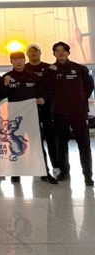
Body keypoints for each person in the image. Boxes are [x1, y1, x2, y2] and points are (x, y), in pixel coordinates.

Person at [3, 51, 57, 184]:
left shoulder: (33, 76)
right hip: (15, 118)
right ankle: (16, 172)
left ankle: (44, 172)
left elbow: (42, 92)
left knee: (37, 145)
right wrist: (5, 85)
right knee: (15, 145)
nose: (18, 62)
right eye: (15, 59)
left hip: (33, 116)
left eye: (21, 59)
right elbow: (0, 95)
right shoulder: (7, 76)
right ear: (11, 62)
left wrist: (42, 98)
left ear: (24, 60)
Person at [44, 42, 94, 186]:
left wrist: (80, 99)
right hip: (59, 113)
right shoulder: (50, 71)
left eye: (63, 50)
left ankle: (88, 176)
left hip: (79, 113)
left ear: (68, 53)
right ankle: (64, 172)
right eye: (57, 51)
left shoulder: (80, 69)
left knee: (84, 145)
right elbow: (46, 88)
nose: (61, 53)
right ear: (54, 54)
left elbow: (89, 86)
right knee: (61, 145)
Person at [25, 43, 60, 177]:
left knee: (51, 139)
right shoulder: (24, 68)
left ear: (40, 53)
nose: (33, 53)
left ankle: (56, 166)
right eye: (30, 51)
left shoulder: (50, 68)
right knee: (34, 141)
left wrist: (46, 99)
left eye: (36, 51)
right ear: (27, 54)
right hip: (30, 111)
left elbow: (55, 88)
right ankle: (39, 167)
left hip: (48, 109)